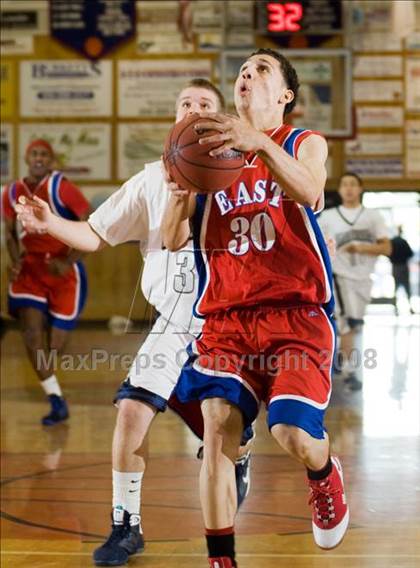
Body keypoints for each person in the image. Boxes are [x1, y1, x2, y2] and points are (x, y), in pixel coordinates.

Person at [16, 79, 252, 568]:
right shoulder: (150, 179)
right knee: (130, 412)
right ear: (174, 117)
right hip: (171, 325)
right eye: (185, 103)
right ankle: (126, 525)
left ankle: (240, 454)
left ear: (221, 118)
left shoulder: (245, 176)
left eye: (205, 104)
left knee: (221, 436)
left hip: (223, 327)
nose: (194, 109)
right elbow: (94, 234)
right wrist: (48, 223)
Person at [162, 48, 349, 567]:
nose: (246, 75)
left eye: (260, 70)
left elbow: (311, 191)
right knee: (218, 422)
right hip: (228, 320)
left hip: (296, 315)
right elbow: (171, 239)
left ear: (284, 94)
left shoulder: (302, 143)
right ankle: (221, 559)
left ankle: (323, 472)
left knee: (291, 432)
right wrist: (179, 191)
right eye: (242, 71)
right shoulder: (207, 153)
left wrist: (259, 145)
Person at [2, 139, 90, 425]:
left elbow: (91, 223)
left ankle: (51, 384)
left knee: (53, 348)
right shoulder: (13, 191)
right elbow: (10, 232)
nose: (39, 158)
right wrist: (14, 260)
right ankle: (56, 400)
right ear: (27, 158)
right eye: (34, 154)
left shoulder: (61, 187)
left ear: (51, 160)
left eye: (44, 154)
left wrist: (69, 259)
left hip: (63, 268)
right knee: (31, 335)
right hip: (31, 269)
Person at [319, 172, 391, 390]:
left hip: (363, 277)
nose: (349, 188)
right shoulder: (328, 217)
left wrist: (360, 247)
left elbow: (386, 248)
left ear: (360, 188)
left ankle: (343, 360)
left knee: (355, 324)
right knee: (349, 322)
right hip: (339, 276)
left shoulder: (372, 216)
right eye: (344, 184)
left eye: (352, 184)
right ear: (339, 190)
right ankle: (352, 370)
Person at [389, 225, 414, 314]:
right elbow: (410, 253)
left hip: (395, 266)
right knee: (407, 287)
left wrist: (393, 259)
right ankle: (410, 307)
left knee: (396, 287)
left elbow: (388, 253)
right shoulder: (403, 241)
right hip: (403, 266)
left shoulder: (392, 242)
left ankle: (395, 308)